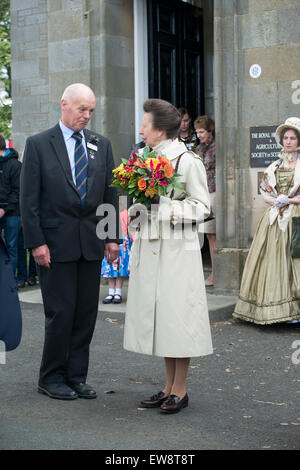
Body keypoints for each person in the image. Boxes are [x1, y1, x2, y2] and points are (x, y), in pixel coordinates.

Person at [20, 83, 121, 400]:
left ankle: (76, 376)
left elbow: (109, 192)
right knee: (61, 313)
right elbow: (29, 199)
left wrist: (111, 236)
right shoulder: (38, 145)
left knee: (85, 314)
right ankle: (50, 378)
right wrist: (36, 243)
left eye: (91, 110)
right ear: (64, 105)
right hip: (54, 244)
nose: (87, 116)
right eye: (82, 109)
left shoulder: (100, 145)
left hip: (90, 243)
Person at [124, 98, 213, 414]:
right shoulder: (145, 160)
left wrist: (166, 208)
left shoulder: (189, 161)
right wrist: (136, 213)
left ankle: (181, 389)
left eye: (145, 124)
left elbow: (203, 207)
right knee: (162, 319)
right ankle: (167, 387)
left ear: (159, 129)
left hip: (177, 251)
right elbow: (143, 203)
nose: (141, 130)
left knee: (177, 318)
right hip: (150, 248)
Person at [233, 117, 300, 325]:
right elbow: (265, 193)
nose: (288, 141)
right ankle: (279, 310)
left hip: (296, 216)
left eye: (293, 138)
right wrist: (276, 201)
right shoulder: (274, 165)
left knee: (295, 261)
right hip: (275, 218)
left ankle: (296, 309)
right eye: (285, 137)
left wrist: (289, 199)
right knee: (273, 261)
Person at [194, 115, 216, 286]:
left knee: (212, 235)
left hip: (215, 194)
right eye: (197, 132)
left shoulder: (216, 147)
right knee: (207, 235)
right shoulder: (198, 149)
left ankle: (214, 274)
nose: (198, 135)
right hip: (203, 194)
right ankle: (212, 273)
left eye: (201, 131)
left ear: (209, 131)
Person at [0, 135, 21, 278]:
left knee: (11, 248)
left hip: (12, 214)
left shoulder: (14, 165)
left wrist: (3, 209)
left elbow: (18, 191)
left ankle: (10, 282)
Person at [101, 209, 132, 304]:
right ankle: (111, 292)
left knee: (120, 269)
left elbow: (130, 228)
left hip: (123, 242)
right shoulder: (107, 211)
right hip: (110, 241)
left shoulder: (126, 213)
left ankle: (118, 292)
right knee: (111, 267)